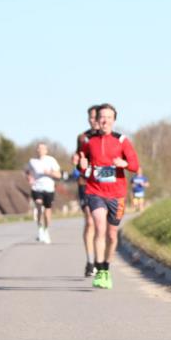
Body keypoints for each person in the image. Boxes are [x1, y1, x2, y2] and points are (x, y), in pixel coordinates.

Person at [79, 103, 139, 289]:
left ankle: (106, 268)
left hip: (117, 193)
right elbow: (83, 164)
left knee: (112, 235)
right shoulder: (88, 141)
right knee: (99, 226)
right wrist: (81, 164)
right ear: (97, 120)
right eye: (101, 117)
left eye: (108, 117)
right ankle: (99, 270)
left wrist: (123, 163)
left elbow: (135, 165)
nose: (104, 120)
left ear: (114, 120)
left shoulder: (122, 141)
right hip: (95, 190)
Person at [74, 106, 101, 276]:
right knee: (90, 221)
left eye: (95, 117)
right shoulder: (82, 137)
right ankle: (90, 262)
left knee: (102, 225)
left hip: (104, 185)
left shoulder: (110, 137)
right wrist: (77, 161)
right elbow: (79, 159)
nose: (93, 120)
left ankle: (101, 261)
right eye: (90, 117)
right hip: (86, 183)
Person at [25, 142, 62, 244]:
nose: (40, 150)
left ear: (46, 150)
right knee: (38, 204)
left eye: (42, 148)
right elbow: (27, 171)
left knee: (47, 211)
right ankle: (40, 229)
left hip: (49, 188)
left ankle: (46, 230)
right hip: (37, 187)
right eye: (39, 148)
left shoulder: (51, 160)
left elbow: (59, 175)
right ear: (36, 150)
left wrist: (49, 173)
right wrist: (29, 178)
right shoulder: (32, 161)